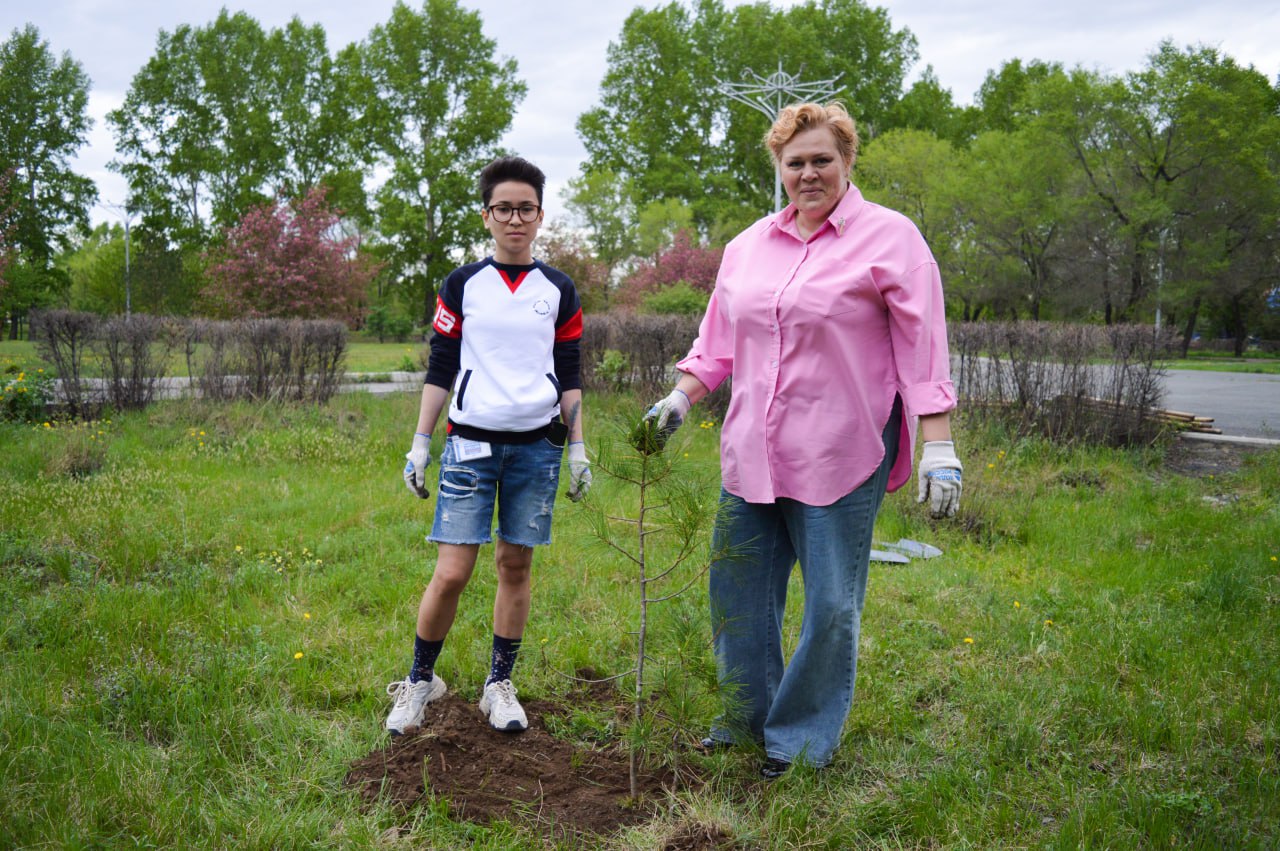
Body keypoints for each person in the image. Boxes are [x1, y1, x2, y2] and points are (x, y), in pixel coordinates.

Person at [642, 102, 963, 779]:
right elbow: (718, 339)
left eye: (823, 159)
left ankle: (802, 739)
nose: (809, 173)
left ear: (846, 160)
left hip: (840, 449)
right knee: (738, 591)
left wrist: (939, 442)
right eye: (796, 163)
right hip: (752, 448)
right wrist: (681, 395)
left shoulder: (892, 239)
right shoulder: (748, 245)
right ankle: (743, 716)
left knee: (831, 603)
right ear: (779, 169)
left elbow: (922, 346)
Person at [386, 156, 591, 736]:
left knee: (515, 564)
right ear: (487, 215)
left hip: (536, 450)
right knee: (452, 571)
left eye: (526, 208)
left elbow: (570, 371)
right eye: (504, 208)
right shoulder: (462, 284)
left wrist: (577, 449)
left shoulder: (558, 290)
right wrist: (420, 443)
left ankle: (498, 684)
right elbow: (440, 366)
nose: (516, 218)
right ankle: (420, 681)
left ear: (541, 215)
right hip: (470, 447)